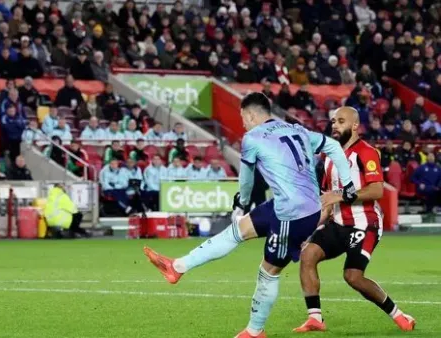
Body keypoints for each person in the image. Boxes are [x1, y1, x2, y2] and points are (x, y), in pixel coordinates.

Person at [143, 93, 357, 338]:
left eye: (243, 117)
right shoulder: (295, 128)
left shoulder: (252, 138)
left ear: (252, 114)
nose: (243, 123)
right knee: (237, 230)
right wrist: (348, 184)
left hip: (294, 215)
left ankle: (255, 331)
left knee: (268, 271)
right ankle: (178, 266)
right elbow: (331, 145)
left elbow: (246, 180)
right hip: (291, 204)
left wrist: (242, 201)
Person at [295, 107, 415, 333]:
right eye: (333, 121)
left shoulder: (366, 152)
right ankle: (315, 318)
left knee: (353, 276)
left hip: (364, 223)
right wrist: (309, 232)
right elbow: (327, 202)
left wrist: (339, 195)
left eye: (341, 121)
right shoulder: (328, 156)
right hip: (338, 223)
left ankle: (399, 315)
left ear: (355, 126)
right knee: (308, 255)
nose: (335, 125)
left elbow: (377, 190)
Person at [411, 152, 441, 220]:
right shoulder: (421, 167)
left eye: (432, 156)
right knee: (431, 191)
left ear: (434, 158)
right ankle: (429, 210)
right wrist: (419, 183)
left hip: (435, 187)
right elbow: (412, 178)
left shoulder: (438, 168)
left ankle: (436, 208)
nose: (431, 157)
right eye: (429, 156)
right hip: (423, 187)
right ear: (427, 158)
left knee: (435, 190)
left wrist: (438, 186)